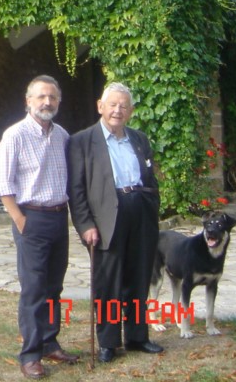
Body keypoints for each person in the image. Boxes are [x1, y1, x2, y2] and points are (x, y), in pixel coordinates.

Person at [67, 82, 165, 363]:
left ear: (131, 111)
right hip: (105, 218)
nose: (117, 110)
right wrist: (85, 224)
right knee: (108, 283)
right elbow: (76, 189)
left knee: (138, 277)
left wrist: (151, 204)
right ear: (101, 106)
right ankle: (108, 342)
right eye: (112, 104)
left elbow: (150, 177)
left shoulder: (139, 139)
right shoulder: (82, 141)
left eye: (123, 106)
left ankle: (137, 337)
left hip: (140, 213)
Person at [0, 75, 79, 379]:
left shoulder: (63, 136)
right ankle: (30, 354)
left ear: (58, 102)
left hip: (58, 216)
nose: (47, 102)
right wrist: (20, 220)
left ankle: (49, 342)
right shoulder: (14, 135)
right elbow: (3, 183)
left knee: (54, 286)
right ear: (28, 101)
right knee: (33, 289)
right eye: (41, 97)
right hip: (31, 218)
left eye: (52, 97)